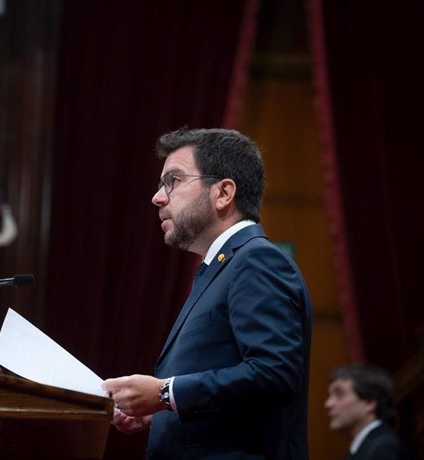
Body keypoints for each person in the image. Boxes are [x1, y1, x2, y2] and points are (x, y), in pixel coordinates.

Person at [102, 127, 312, 459]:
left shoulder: (257, 260)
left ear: (224, 192)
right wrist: (161, 409)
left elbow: (274, 373)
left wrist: (165, 393)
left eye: (173, 181)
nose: (158, 196)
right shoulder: (220, 268)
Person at [325, 364, 404, 460]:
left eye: (339, 395)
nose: (328, 404)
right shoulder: (367, 447)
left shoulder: (383, 447)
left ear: (369, 403)